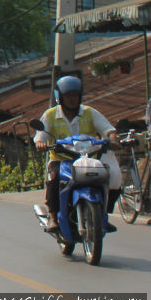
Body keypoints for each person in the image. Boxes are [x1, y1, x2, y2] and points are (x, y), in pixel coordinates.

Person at [34, 75, 122, 233]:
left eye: (75, 95)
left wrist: (113, 139)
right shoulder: (50, 114)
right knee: (53, 179)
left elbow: (108, 130)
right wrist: (41, 143)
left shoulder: (89, 112)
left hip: (89, 159)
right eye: (68, 96)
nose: (72, 100)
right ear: (60, 97)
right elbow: (40, 137)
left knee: (112, 177)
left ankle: (104, 214)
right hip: (62, 160)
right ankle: (54, 219)